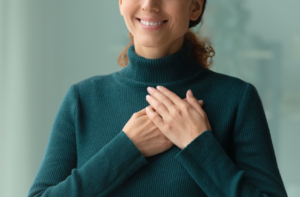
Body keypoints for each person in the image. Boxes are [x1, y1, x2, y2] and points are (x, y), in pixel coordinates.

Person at [28, 0, 288, 196]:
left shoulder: (237, 100)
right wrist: (127, 149)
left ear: (195, 8)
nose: (150, 4)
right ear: (121, 3)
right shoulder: (81, 100)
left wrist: (198, 145)